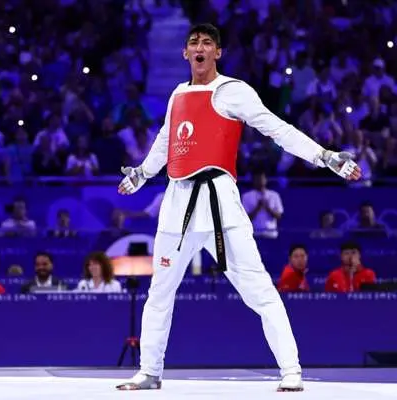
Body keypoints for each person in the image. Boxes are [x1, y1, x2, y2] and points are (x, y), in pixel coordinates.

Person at [115, 23, 361, 392]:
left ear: (217, 52)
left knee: (258, 290)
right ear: (185, 53)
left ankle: (291, 370)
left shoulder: (234, 91)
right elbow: (166, 141)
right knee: (159, 292)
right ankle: (150, 371)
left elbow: (278, 129)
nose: (200, 47)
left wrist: (324, 156)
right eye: (194, 42)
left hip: (220, 205)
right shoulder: (178, 94)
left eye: (207, 43)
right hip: (176, 204)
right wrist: (142, 174)